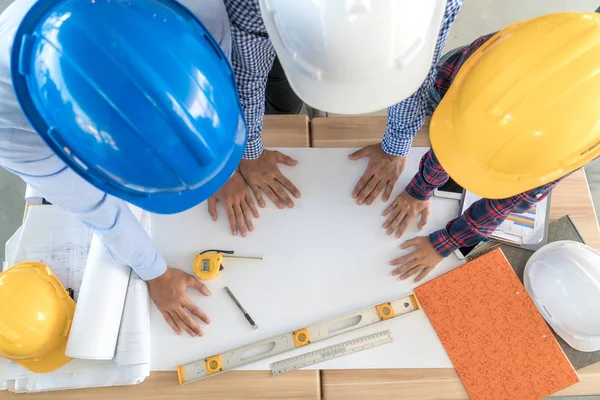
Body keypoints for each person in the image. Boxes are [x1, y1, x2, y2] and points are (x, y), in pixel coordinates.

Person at [0, 0, 241, 337]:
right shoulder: (11, 129)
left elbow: (212, 62)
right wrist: (155, 273)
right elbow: (98, 209)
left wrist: (222, 162)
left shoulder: (193, 9)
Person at [209, 0, 463, 237]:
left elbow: (419, 70)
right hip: (273, 31)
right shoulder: (253, 3)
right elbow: (247, 75)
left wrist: (396, 146)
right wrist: (250, 150)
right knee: (282, 95)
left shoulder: (438, 5)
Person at [382, 11, 600, 283]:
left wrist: (448, 241)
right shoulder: (493, 67)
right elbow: (454, 133)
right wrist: (419, 188)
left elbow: (508, 200)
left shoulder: (567, 141)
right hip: (477, 75)